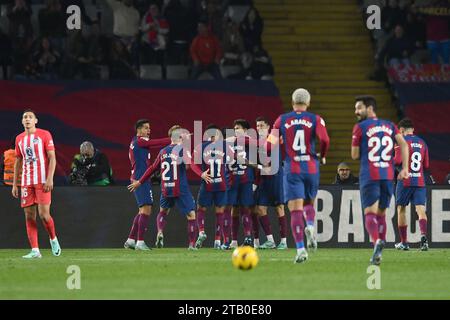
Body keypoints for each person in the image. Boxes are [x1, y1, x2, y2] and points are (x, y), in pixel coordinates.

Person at [266, 89, 330, 263]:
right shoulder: (316, 119)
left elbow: (268, 147)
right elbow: (325, 140)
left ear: (292, 102)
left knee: (295, 210)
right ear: (308, 102)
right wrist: (322, 155)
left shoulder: (281, 120)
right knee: (309, 202)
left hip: (292, 168)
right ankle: (310, 225)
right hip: (311, 167)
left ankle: (301, 249)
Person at [351, 95, 409, 265]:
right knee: (382, 213)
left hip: (370, 174)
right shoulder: (390, 125)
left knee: (370, 213)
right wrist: (405, 168)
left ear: (369, 108)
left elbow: (354, 155)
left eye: (359, 108)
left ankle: (377, 241)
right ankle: (380, 252)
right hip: (387, 175)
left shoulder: (360, 127)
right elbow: (404, 144)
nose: (356, 111)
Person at [128, 125, 202, 250]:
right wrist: (201, 174)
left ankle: (160, 231)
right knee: (191, 215)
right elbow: (190, 165)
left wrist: (140, 182)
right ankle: (191, 245)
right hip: (180, 188)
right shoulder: (182, 149)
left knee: (163, 212)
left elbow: (152, 169)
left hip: (166, 187)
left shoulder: (163, 151)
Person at [11, 109, 61, 259]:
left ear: (35, 121)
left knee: (44, 215)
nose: (27, 119)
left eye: (30, 117)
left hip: (42, 180)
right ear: (22, 121)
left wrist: (50, 178)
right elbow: (18, 161)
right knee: (29, 215)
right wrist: (15, 184)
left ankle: (53, 238)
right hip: (26, 181)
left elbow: (52, 157)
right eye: (25, 117)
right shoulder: (19, 139)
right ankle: (35, 250)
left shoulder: (44, 134)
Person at [123, 119, 170, 250]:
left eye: (149, 128)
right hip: (140, 179)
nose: (149, 130)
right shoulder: (139, 141)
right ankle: (140, 242)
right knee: (146, 209)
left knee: (142, 210)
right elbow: (157, 143)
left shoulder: (137, 142)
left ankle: (131, 240)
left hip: (140, 178)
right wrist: (173, 138)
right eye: (146, 128)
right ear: (139, 130)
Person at [190, 124, 232, 249]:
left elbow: (192, 163)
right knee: (220, 211)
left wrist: (201, 173)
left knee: (201, 208)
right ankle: (218, 241)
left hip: (207, 182)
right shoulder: (225, 146)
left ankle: (202, 231)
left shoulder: (201, 146)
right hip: (222, 183)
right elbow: (232, 160)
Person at [394, 118, 430, 251]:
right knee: (420, 209)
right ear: (413, 129)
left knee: (401, 209)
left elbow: (397, 160)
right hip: (419, 181)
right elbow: (426, 165)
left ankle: (404, 242)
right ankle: (424, 238)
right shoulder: (422, 142)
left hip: (405, 180)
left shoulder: (400, 141)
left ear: (401, 130)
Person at [253, 117, 287, 250]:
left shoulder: (273, 140)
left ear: (268, 128)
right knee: (260, 209)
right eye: (257, 126)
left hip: (276, 177)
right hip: (264, 179)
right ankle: (270, 240)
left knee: (279, 208)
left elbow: (267, 163)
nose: (259, 128)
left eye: (262, 126)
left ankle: (284, 241)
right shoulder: (257, 144)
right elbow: (261, 165)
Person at [225, 119, 256, 249]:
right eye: (235, 127)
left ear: (245, 130)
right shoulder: (230, 142)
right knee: (232, 209)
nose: (236, 130)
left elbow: (254, 162)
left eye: (238, 128)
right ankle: (233, 240)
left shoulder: (250, 141)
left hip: (245, 179)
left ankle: (248, 237)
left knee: (245, 208)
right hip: (232, 179)